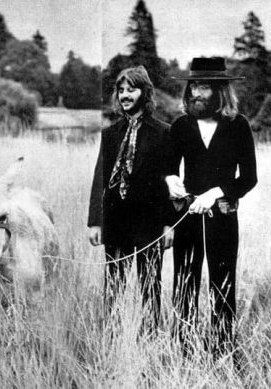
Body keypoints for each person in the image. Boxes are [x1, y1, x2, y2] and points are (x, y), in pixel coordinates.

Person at [165, 57, 257, 355]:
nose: (195, 93)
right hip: (188, 218)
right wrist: (171, 181)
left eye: (203, 86)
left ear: (220, 90)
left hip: (223, 219)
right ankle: (184, 351)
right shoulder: (180, 126)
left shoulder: (237, 125)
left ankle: (223, 352)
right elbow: (167, 167)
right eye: (193, 85)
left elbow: (249, 178)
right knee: (184, 285)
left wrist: (217, 192)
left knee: (223, 287)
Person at [88, 65, 173, 331]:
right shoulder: (110, 133)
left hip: (149, 224)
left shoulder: (164, 133)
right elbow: (99, 179)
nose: (125, 95)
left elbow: (171, 181)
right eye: (121, 90)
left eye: (131, 89)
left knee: (150, 286)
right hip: (116, 222)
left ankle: (149, 339)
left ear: (145, 93)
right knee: (113, 287)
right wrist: (95, 222)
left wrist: (169, 224)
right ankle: (112, 338)